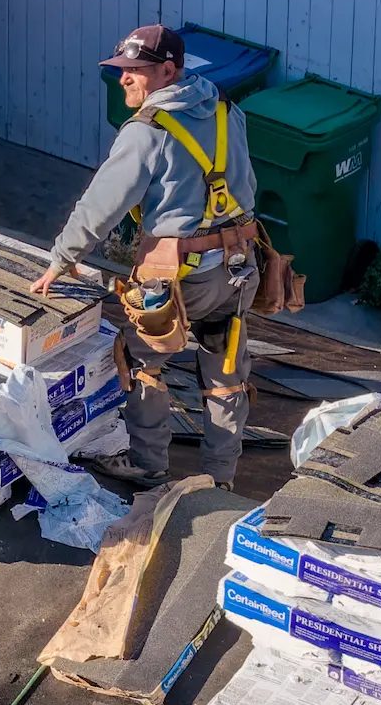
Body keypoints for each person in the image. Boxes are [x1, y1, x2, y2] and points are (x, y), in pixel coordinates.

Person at [30, 26, 259, 489]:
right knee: (225, 369)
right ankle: (220, 480)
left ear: (168, 71)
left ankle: (149, 465)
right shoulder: (223, 107)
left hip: (180, 279)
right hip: (239, 267)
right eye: (122, 72)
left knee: (141, 361)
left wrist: (61, 259)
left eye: (134, 72)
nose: (124, 81)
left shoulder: (147, 132)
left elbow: (102, 204)